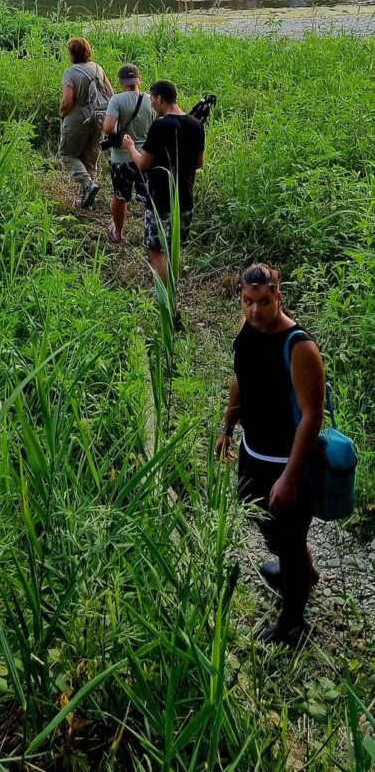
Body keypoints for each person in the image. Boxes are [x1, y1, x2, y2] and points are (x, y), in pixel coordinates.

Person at [216, 263, 325, 647]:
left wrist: (290, 478)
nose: (255, 311)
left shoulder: (298, 346)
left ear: (279, 296)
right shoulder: (249, 330)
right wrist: (226, 428)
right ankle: (300, 572)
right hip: (253, 452)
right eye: (248, 301)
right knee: (268, 525)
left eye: (264, 302)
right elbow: (239, 378)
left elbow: (312, 417)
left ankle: (293, 623)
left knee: (291, 537)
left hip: (286, 462)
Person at [123, 79, 205, 285]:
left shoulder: (160, 126)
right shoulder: (197, 126)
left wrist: (130, 147)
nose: (151, 104)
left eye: (152, 100)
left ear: (160, 99)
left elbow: (143, 164)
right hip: (185, 198)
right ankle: (174, 291)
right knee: (173, 248)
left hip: (161, 199)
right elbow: (198, 163)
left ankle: (166, 297)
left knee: (156, 249)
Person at [59, 37, 113, 209]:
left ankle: (88, 185)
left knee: (68, 155)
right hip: (98, 119)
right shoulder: (98, 68)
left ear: (72, 54)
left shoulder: (70, 73)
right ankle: (87, 201)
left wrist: (62, 114)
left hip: (77, 119)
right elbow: (111, 95)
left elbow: (67, 101)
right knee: (90, 160)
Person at [102, 64, 154, 243]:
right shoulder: (150, 100)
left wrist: (117, 137)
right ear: (138, 79)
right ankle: (150, 234)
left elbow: (108, 127)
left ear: (121, 82)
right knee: (145, 196)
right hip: (144, 157)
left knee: (120, 196)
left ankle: (117, 233)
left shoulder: (117, 100)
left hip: (121, 158)